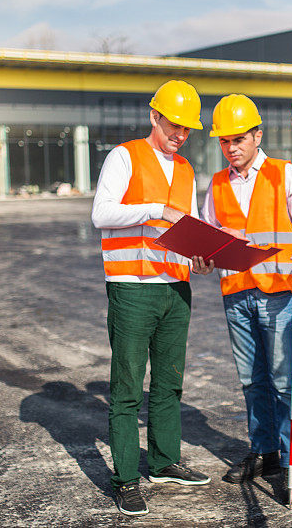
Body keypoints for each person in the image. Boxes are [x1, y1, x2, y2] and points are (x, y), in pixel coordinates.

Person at [91, 80, 214, 517]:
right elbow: (101, 213)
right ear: (154, 117)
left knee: (169, 383)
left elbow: (192, 227)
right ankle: (125, 478)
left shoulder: (185, 171)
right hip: (131, 290)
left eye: (187, 129)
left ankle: (163, 462)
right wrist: (152, 209)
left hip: (175, 290)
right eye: (173, 125)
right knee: (126, 389)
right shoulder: (124, 156)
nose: (180, 135)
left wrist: (202, 258)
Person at [201, 94, 292, 504]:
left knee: (282, 381)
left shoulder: (284, 174)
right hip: (236, 295)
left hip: (277, 295)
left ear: (257, 135)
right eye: (224, 141)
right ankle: (264, 452)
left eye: (238, 139)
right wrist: (203, 257)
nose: (231, 147)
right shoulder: (217, 185)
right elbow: (208, 235)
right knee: (252, 381)